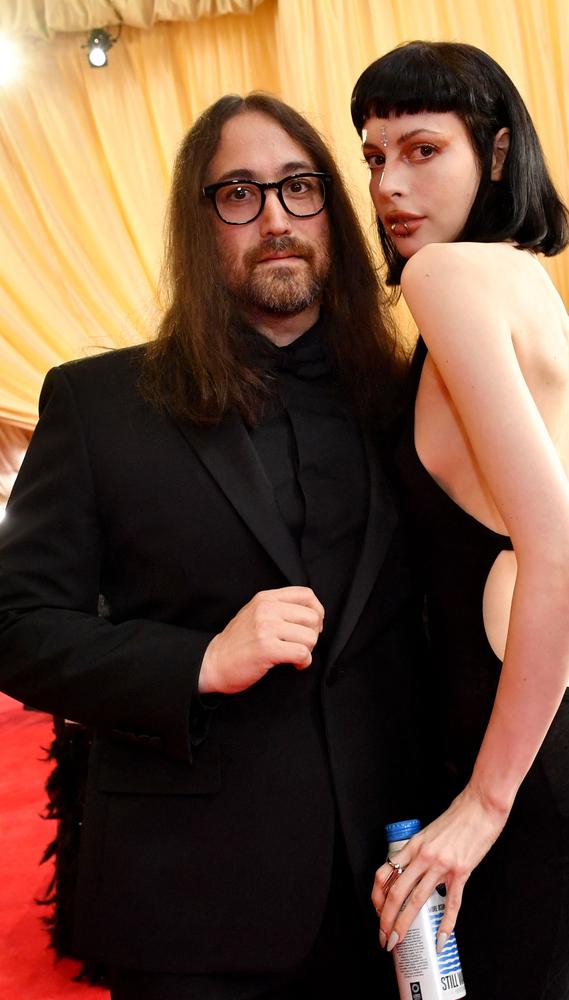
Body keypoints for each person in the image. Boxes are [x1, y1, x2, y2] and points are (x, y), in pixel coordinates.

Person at [0, 93, 433, 1000]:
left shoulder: (412, 398)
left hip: (392, 893)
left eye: (299, 188)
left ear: (333, 209)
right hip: (189, 902)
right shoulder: (98, 404)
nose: (275, 218)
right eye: (238, 194)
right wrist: (199, 661)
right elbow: (18, 625)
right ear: (200, 226)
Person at [350, 41, 569, 999]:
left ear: (500, 149)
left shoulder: (445, 277)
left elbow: (566, 558)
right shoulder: (527, 282)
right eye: (372, 155)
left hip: (530, 754)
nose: (390, 183)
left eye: (422, 149)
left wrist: (484, 802)